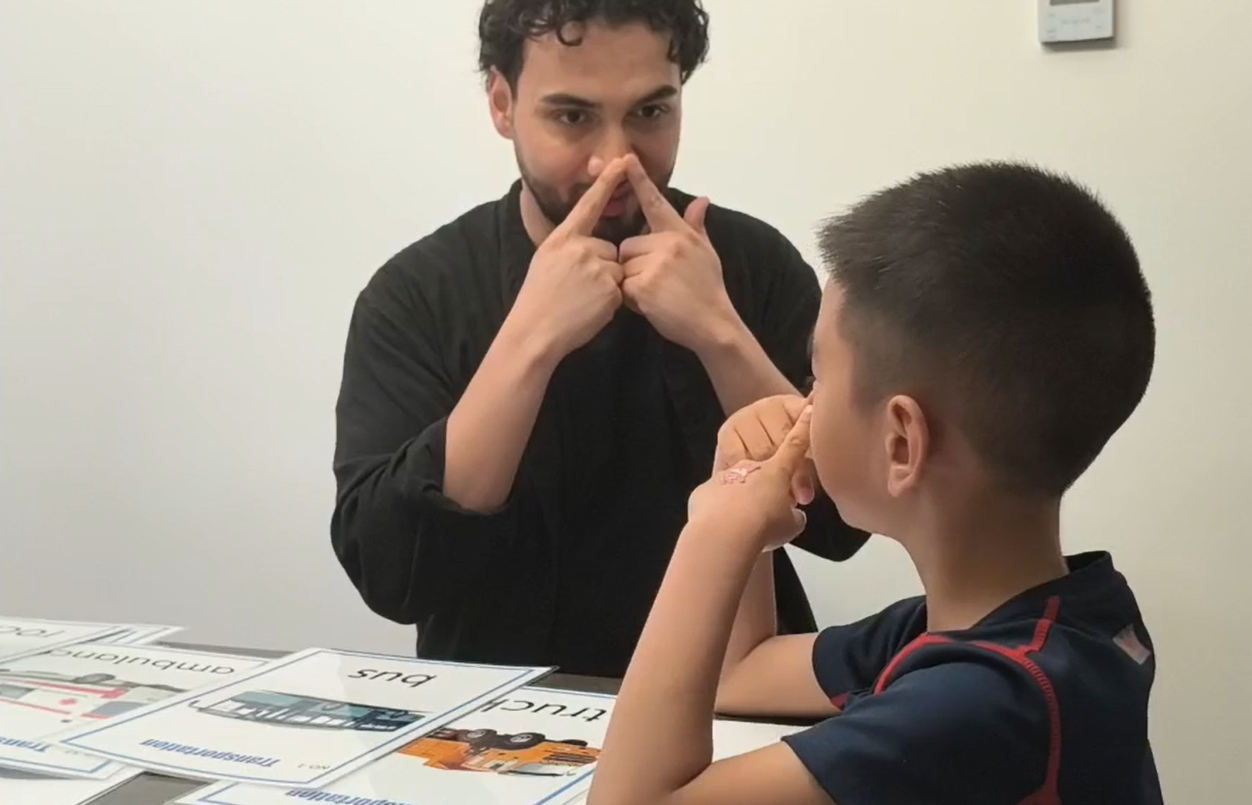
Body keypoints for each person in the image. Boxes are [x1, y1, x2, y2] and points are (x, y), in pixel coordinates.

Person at [587, 161, 1162, 804]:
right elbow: (740, 676)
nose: (805, 404)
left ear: (901, 443)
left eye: (818, 376)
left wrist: (710, 538)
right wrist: (737, 480)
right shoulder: (1035, 627)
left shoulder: (985, 701)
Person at [329, 0, 867, 678]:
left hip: (735, 699)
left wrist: (720, 333)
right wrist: (529, 342)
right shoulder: (416, 293)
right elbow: (391, 574)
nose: (614, 160)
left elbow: (843, 524)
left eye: (650, 112)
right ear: (502, 103)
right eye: (572, 116)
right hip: (497, 711)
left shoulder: (752, 263)